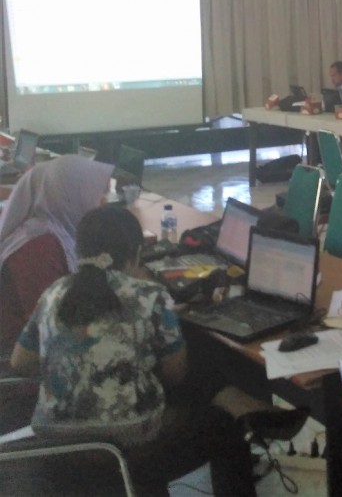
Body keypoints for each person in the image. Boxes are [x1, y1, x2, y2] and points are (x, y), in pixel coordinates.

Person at [10, 206, 309, 496]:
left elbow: (20, 362)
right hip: (133, 445)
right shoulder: (148, 295)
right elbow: (175, 375)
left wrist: (73, 365)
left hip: (57, 444)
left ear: (79, 251)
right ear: (137, 253)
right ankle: (240, 407)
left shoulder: (53, 294)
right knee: (222, 421)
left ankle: (240, 403)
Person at [0, 155, 114, 355]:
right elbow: (53, 326)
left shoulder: (54, 228)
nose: (104, 203)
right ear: (70, 196)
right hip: (22, 355)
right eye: (98, 194)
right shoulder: (39, 248)